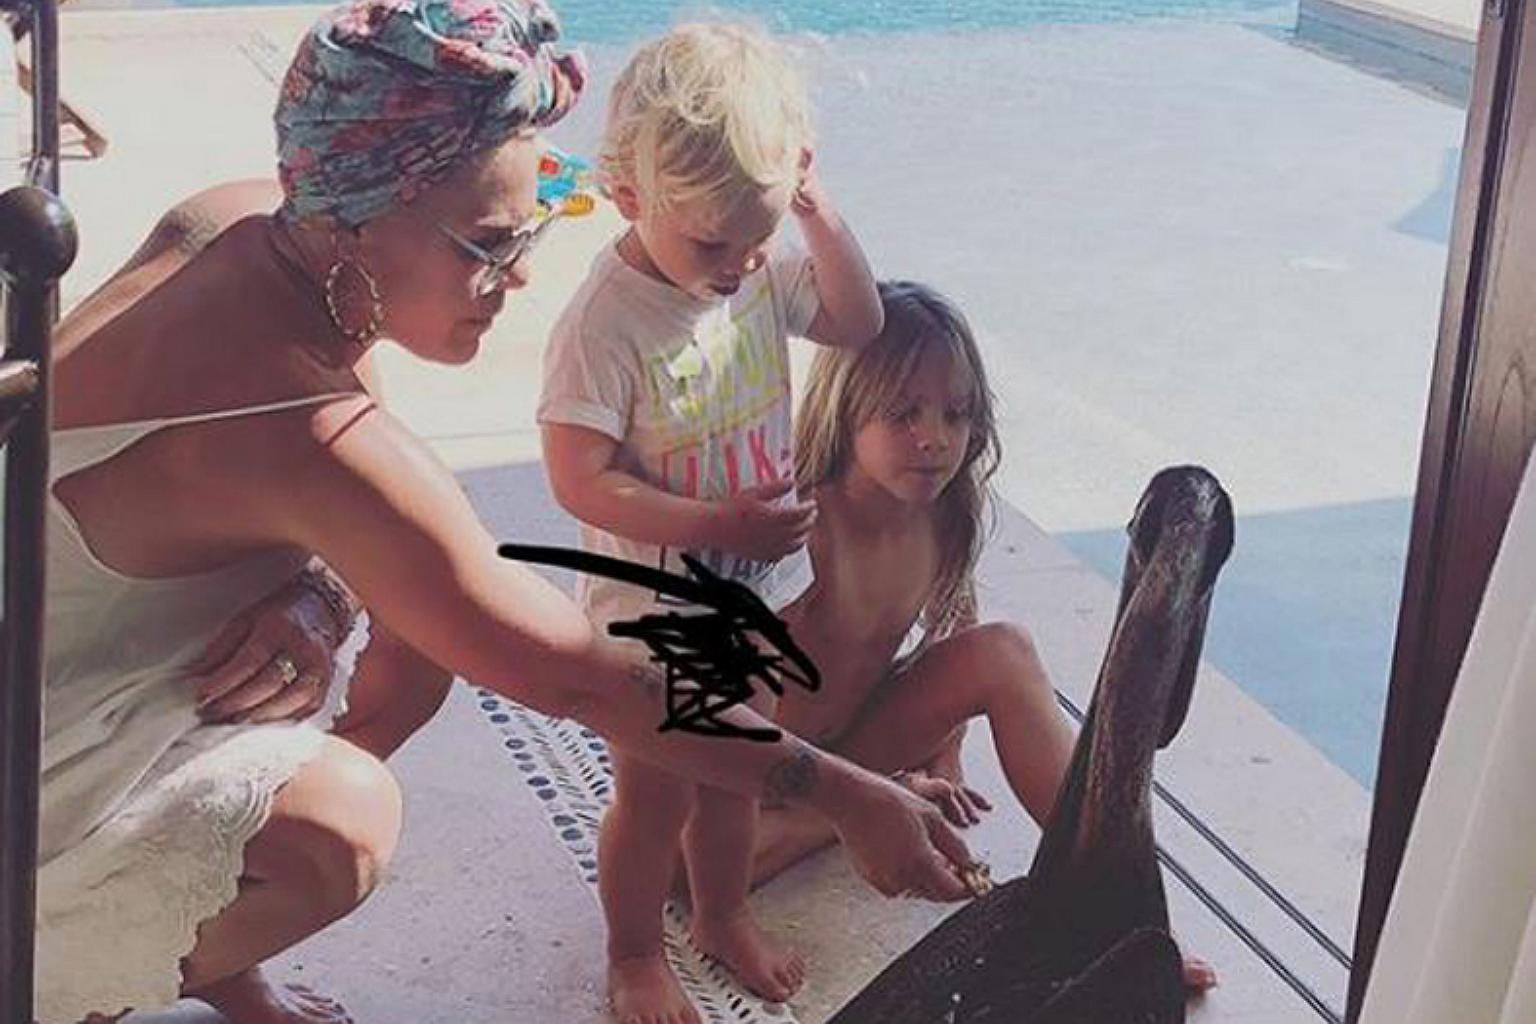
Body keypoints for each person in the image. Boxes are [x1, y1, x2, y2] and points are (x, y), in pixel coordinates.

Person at [36, 3, 975, 1022]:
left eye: (536, 221)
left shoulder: (258, 222)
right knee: (346, 827)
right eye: (488, 241)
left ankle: (213, 939)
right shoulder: (304, 430)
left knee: (414, 638)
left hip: (79, 655)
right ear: (358, 219)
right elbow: (572, 673)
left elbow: (303, 497)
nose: (520, 273)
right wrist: (846, 794)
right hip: (39, 749)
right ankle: (69, 977)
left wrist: (317, 594)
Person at [730, 279, 1220, 993]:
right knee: (688, 868)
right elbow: (728, 716)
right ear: (845, 409)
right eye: (903, 414)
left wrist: (947, 752)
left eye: (956, 413)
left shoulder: (943, 514)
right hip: (756, 770)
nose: (934, 437)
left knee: (1005, 649)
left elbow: (957, 618)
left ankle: (1119, 903)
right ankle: (871, 802)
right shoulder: (807, 529)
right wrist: (847, 799)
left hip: (853, 739)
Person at [535, 22, 883, 1023]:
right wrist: (713, 519)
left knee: (739, 773)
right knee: (654, 797)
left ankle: (723, 913)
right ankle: (634, 953)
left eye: (759, 234)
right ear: (628, 194)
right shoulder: (605, 324)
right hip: (653, 616)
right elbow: (579, 481)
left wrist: (815, 213)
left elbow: (859, 322)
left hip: (748, 595)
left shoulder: (757, 266)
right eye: (713, 243)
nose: (740, 264)